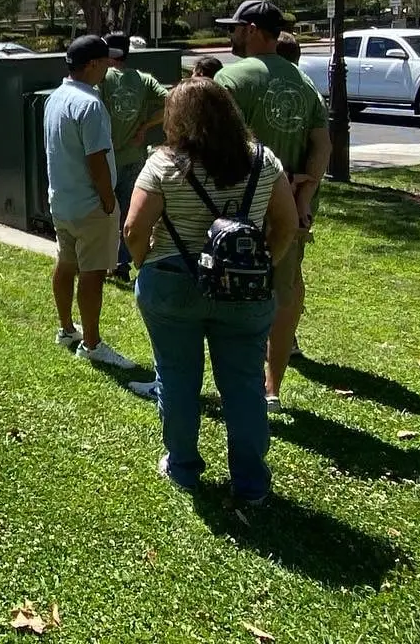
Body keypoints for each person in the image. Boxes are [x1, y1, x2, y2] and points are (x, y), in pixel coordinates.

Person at [122, 77, 299, 502]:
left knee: (178, 378)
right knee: (244, 386)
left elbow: (133, 229)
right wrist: (262, 267)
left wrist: (147, 263)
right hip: (245, 291)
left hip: (172, 282)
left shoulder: (163, 164)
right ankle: (251, 482)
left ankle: (183, 467)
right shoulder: (263, 161)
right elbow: (287, 224)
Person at [214, 0, 330, 411]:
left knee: (228, 295)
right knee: (284, 295)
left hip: (235, 213)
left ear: (250, 29)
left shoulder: (229, 79)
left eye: (234, 29)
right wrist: (302, 197)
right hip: (289, 214)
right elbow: (322, 145)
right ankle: (271, 389)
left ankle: (235, 382)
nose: (231, 36)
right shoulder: (303, 81)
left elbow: (216, 149)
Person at [44, 35, 135, 368]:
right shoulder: (91, 104)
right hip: (90, 205)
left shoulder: (57, 97)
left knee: (66, 263)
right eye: (106, 62)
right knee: (93, 273)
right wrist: (108, 198)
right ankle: (92, 344)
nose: (110, 68)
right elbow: (96, 158)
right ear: (93, 64)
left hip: (63, 202)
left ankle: (67, 329)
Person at [100, 33, 169, 283]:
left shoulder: (101, 79)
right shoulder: (143, 80)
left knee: (103, 213)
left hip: (103, 160)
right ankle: (121, 264)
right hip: (133, 158)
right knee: (128, 213)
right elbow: (170, 102)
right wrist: (145, 125)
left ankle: (100, 262)